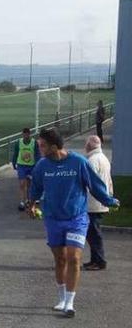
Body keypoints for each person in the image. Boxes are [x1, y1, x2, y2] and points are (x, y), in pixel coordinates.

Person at [29, 129, 118, 316]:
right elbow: (36, 187)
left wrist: (109, 200)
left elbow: (95, 184)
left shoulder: (78, 162)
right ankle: (61, 298)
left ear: (54, 146)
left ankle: (69, 303)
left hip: (76, 218)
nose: (40, 149)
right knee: (60, 259)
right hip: (53, 218)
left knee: (74, 257)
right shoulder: (42, 165)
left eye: (42, 145)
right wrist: (32, 203)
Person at [83, 135, 113, 270]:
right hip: (100, 202)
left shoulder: (92, 161)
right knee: (94, 233)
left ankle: (99, 261)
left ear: (89, 146)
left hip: (93, 203)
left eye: (86, 144)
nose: (85, 146)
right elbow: (108, 181)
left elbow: (90, 183)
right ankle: (95, 259)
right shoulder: (104, 159)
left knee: (93, 234)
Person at [12, 127, 40, 211]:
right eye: (24, 134)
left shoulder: (34, 142)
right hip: (21, 165)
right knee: (22, 183)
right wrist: (14, 162)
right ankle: (22, 201)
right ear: (22, 134)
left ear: (29, 134)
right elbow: (16, 153)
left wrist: (37, 164)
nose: (25, 136)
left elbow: (37, 154)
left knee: (29, 184)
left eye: (27, 134)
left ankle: (29, 199)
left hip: (31, 166)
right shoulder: (19, 142)